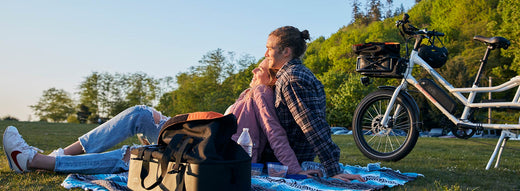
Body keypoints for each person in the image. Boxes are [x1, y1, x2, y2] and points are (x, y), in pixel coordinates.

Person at [3, 60, 312, 176]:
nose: (255, 69)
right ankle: (60, 154)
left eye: (261, 68)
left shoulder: (262, 94)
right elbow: (214, 120)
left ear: (270, 77)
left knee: (133, 155)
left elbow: (275, 134)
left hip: (211, 152)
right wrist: (171, 120)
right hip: (199, 135)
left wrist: (297, 170)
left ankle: (35, 161)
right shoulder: (249, 93)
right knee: (140, 113)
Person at [264, 26, 365, 182]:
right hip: (289, 155)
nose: (266, 54)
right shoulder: (294, 73)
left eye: (269, 48)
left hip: (289, 158)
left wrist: (332, 169)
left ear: (286, 51)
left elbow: (312, 126)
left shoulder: (291, 79)